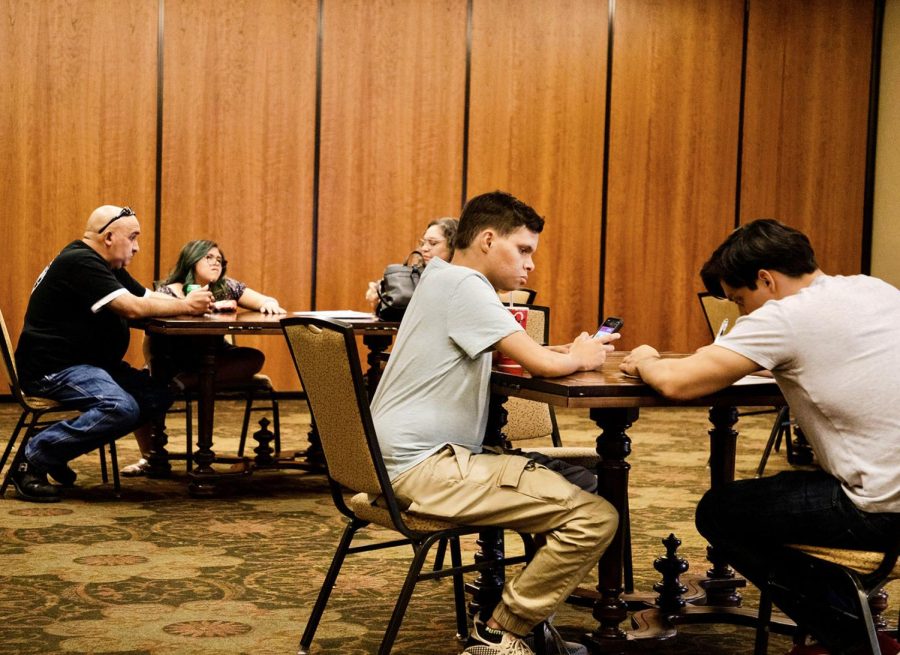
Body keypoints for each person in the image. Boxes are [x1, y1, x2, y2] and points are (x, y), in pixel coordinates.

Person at [619, 219, 900, 655]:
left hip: (880, 507)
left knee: (721, 511)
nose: (743, 313)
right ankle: (852, 624)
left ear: (766, 279)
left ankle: (850, 638)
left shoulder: (785, 315)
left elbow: (678, 382)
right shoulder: (871, 289)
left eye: (739, 300)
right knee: (775, 494)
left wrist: (645, 358)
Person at [370, 191, 620, 655]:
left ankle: (539, 616)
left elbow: (526, 354)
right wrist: (578, 355)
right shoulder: (466, 285)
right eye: (523, 250)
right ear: (487, 239)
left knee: (583, 478)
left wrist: (565, 353)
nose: (529, 265)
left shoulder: (440, 278)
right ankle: (503, 632)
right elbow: (541, 365)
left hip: (395, 460)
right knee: (594, 516)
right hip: (424, 468)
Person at [12, 205, 214, 502]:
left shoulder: (106, 265)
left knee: (157, 395)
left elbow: (145, 297)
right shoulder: (81, 262)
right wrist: (187, 307)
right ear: (109, 237)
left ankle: (56, 448)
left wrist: (191, 302)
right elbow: (132, 308)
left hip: (89, 364)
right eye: (132, 237)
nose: (137, 247)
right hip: (53, 368)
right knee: (120, 408)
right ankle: (34, 456)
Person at [122, 239, 286, 475]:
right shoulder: (168, 291)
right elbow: (151, 335)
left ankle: (184, 383)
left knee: (254, 358)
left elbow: (264, 300)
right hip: (175, 360)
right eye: (208, 258)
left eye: (219, 260)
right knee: (141, 386)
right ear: (191, 259)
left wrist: (269, 304)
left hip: (216, 358)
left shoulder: (226, 287)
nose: (215, 263)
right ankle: (151, 457)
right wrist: (152, 363)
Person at [365, 216, 458, 305]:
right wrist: (380, 301)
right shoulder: (414, 276)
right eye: (423, 243)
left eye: (433, 243)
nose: (424, 248)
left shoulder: (461, 282)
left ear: (454, 246)